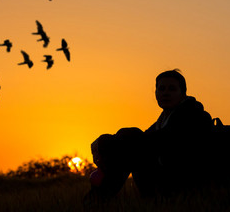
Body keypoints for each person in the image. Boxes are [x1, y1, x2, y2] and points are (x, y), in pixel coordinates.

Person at [86, 69, 213, 200]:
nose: (166, 93)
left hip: (190, 186)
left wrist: (102, 142)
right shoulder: (162, 120)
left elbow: (155, 140)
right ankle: (96, 202)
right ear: (156, 93)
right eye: (161, 89)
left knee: (132, 141)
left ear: (183, 94)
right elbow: (141, 141)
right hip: (169, 184)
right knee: (130, 149)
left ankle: (95, 203)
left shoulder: (193, 116)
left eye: (172, 89)